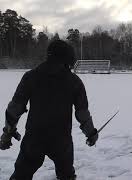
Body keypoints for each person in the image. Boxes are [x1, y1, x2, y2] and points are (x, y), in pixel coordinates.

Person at [0, 40, 98, 180]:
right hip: (62, 140)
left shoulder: (31, 76)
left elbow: (14, 109)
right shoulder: (74, 81)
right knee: (66, 176)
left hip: (34, 139)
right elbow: (82, 113)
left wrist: (8, 133)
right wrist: (91, 133)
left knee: (21, 176)